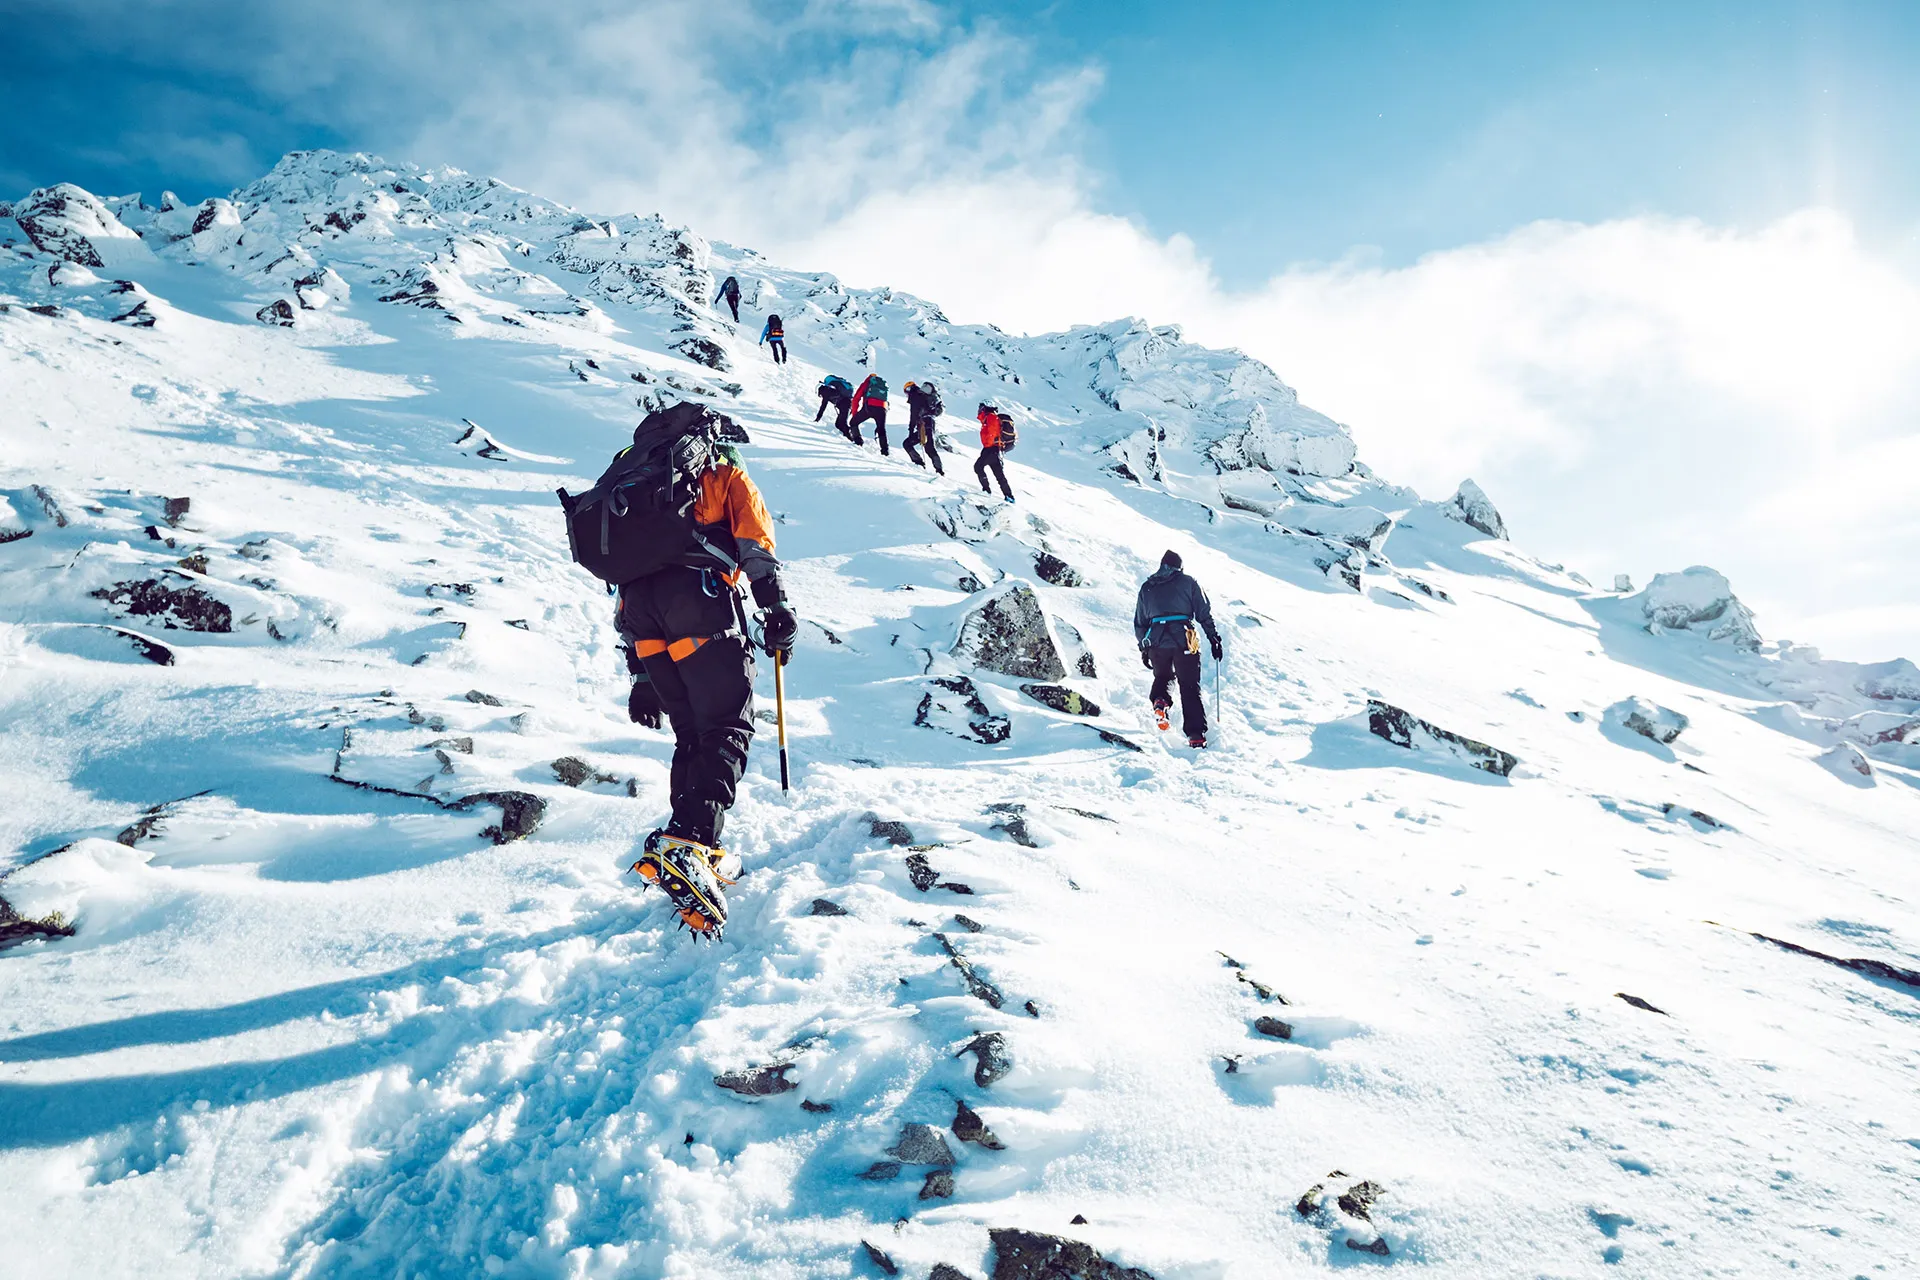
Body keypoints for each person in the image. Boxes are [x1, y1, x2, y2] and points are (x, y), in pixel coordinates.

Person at [611, 402, 799, 937]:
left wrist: (642, 676)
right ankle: (691, 843)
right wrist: (776, 608)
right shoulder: (722, 473)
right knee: (726, 728)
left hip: (642, 618)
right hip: (698, 602)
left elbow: (626, 580)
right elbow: (754, 544)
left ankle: (690, 841)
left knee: (693, 733)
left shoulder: (637, 489)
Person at [1133, 549, 1221, 748]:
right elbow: (1203, 612)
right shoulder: (1188, 582)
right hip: (1184, 640)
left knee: (1163, 677)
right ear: (1179, 567)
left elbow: (1140, 622)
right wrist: (1214, 638)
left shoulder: (1148, 587)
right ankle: (1196, 735)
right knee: (1189, 685)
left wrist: (1144, 648)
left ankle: (1161, 702)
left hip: (1156, 641)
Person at [973, 402, 1014, 503]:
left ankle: (986, 491)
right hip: (996, 450)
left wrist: (988, 445)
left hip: (990, 449)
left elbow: (992, 432)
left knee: (978, 467)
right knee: (999, 475)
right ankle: (1009, 496)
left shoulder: (990, 417)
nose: (979, 409)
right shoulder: (990, 417)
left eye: (981, 407)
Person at [902, 380, 945, 475]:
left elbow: (913, 415)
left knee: (910, 444)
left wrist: (910, 429)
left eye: (906, 392)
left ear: (909, 389)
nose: (906, 395)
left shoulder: (915, 396)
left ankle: (936, 470)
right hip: (929, 422)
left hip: (925, 423)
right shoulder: (922, 396)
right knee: (927, 447)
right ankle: (935, 468)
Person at [850, 372, 889, 454]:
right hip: (882, 408)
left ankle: (858, 442)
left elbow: (856, 399)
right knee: (881, 429)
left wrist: (854, 414)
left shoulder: (866, 383)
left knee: (853, 422)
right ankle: (885, 451)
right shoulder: (882, 385)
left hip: (870, 407)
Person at [815, 374, 855, 442]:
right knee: (838, 424)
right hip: (848, 404)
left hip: (846, 404)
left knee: (842, 423)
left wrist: (817, 418)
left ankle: (853, 439)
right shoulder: (830, 390)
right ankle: (849, 437)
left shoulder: (826, 392)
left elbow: (823, 406)